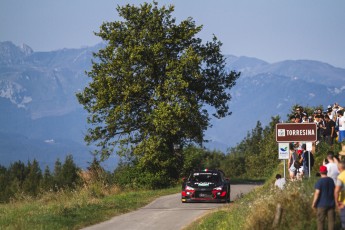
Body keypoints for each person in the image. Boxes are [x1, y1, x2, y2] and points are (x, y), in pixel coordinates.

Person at [312, 165, 335, 230]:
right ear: (326, 171)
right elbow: (334, 190)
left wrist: (314, 203)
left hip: (321, 204)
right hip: (331, 204)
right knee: (331, 222)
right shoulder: (331, 180)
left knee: (320, 222)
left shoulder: (320, 181)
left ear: (320, 172)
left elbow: (317, 193)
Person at [335, 160, 345, 229]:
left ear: (339, 168)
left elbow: (336, 191)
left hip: (343, 203)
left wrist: (336, 202)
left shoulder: (341, 177)